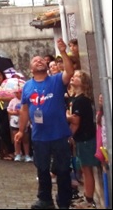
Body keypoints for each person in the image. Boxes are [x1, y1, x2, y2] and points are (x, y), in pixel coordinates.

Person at [15, 38, 74, 210]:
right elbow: (24, 110)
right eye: (35, 60)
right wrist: (20, 130)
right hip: (39, 136)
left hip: (59, 134)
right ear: (31, 68)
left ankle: (64, 201)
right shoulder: (27, 86)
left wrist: (63, 52)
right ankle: (45, 199)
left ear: (46, 65)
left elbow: (69, 71)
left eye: (42, 59)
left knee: (63, 170)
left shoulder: (56, 80)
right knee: (42, 169)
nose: (39, 60)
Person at [67, 70, 100, 209]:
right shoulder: (76, 99)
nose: (73, 78)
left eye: (78, 77)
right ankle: (87, 195)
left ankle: (89, 199)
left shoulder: (81, 101)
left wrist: (67, 117)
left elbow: (76, 121)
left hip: (86, 138)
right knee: (84, 169)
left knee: (87, 170)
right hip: (82, 138)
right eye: (73, 76)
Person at [8, 88, 32, 162]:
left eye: (19, 93)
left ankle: (27, 154)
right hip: (15, 122)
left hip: (24, 122)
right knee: (17, 139)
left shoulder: (26, 101)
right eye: (16, 93)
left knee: (25, 139)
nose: (17, 94)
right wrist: (14, 112)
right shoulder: (12, 101)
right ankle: (18, 153)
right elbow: (8, 110)